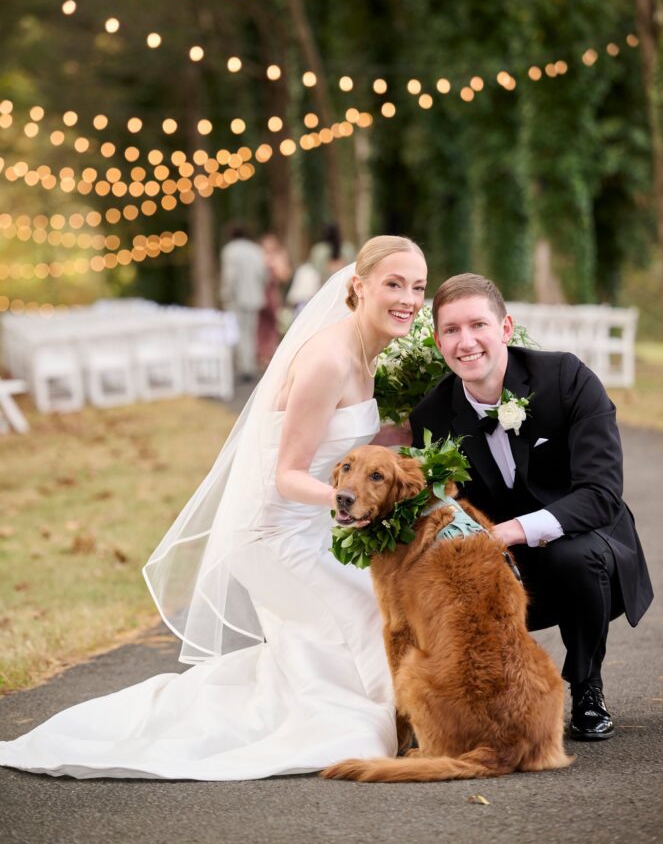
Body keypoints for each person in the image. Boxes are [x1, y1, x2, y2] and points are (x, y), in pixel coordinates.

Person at [0, 235, 428, 780]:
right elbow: (288, 475)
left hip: (317, 532)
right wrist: (360, 505)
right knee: (372, 622)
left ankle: (375, 709)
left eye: (417, 287)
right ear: (358, 286)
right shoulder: (328, 358)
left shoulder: (369, 354)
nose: (409, 298)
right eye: (394, 284)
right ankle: (395, 722)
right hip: (274, 537)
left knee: (371, 619)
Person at [409, 273, 654, 742]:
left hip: (589, 542)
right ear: (438, 340)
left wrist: (511, 530)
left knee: (573, 555)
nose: (466, 342)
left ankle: (586, 687)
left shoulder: (566, 378)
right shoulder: (432, 417)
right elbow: (446, 509)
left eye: (478, 325)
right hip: (503, 561)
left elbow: (602, 493)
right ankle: (485, 696)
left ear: (505, 329)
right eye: (451, 330)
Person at [219, 224, 267, 381]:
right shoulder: (256, 250)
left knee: (238, 332)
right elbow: (263, 274)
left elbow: (230, 276)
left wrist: (225, 293)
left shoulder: (230, 250)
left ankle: (244, 367)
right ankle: (250, 365)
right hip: (254, 297)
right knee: (251, 332)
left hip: (236, 298)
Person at [256, 233, 291, 368]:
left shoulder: (280, 256)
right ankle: (260, 352)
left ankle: (269, 352)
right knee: (261, 325)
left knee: (273, 324)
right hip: (260, 292)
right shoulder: (258, 255)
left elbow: (285, 275)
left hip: (272, 292)